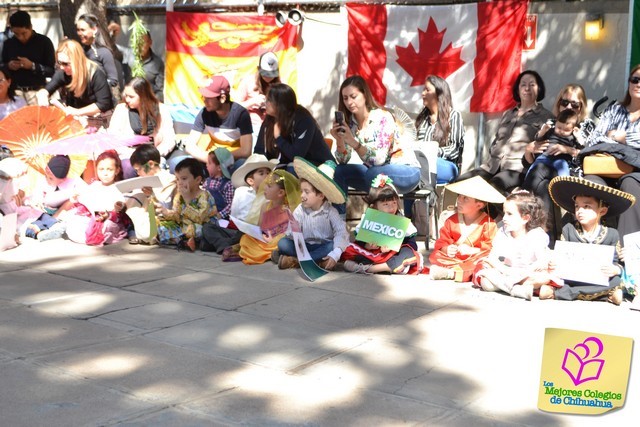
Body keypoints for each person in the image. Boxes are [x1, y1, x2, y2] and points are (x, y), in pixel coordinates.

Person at [541, 176, 636, 305]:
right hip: (574, 278)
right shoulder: (568, 229)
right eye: (577, 206)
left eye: (586, 206)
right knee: (559, 280)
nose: (580, 211)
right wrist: (554, 264)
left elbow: (617, 262)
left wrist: (615, 269)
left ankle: (558, 293)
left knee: (615, 281)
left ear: (602, 210)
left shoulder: (612, 234)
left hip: (599, 279)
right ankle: (606, 295)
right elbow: (561, 257)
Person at [331, 75, 421, 212]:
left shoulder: (382, 117)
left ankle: (382, 219)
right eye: (345, 98)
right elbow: (343, 160)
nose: (349, 102)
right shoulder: (351, 124)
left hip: (405, 171)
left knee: (373, 173)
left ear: (365, 95)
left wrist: (353, 142)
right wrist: (339, 140)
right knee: (340, 171)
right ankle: (338, 223)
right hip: (374, 175)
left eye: (353, 96)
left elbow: (379, 159)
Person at [456, 70, 553, 194]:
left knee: (492, 188)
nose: (527, 88)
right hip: (492, 166)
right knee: (460, 182)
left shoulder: (545, 117)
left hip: (517, 169)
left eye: (532, 84)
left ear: (539, 89)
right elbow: (497, 139)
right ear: (518, 89)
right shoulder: (508, 114)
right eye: (523, 84)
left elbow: (545, 149)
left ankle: (496, 214)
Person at [522, 83, 595, 241]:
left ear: (581, 107)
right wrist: (529, 150)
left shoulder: (586, 126)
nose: (568, 106)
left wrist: (567, 150)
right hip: (544, 165)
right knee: (540, 177)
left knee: (543, 179)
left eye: (574, 104)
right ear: (558, 103)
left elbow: (590, 155)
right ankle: (543, 236)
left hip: (571, 172)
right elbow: (529, 160)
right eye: (564, 102)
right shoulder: (551, 123)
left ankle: (540, 233)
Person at [581, 64, 640, 238]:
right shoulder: (614, 109)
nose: (638, 84)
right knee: (591, 182)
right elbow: (594, 139)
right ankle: (590, 243)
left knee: (629, 182)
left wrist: (622, 137)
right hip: (608, 167)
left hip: (635, 171)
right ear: (629, 83)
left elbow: (605, 138)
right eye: (635, 79)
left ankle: (628, 250)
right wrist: (623, 140)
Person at [473, 190, 554, 300]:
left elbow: (541, 262)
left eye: (510, 214)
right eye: (504, 213)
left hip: (526, 273)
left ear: (525, 218)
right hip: (506, 272)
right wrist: (496, 266)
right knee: (485, 281)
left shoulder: (536, 235)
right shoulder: (503, 233)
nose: (504, 218)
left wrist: (525, 271)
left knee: (543, 278)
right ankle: (517, 289)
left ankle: (507, 286)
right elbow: (493, 257)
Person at [274, 157, 349, 271]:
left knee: (331, 246)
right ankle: (317, 262)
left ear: (321, 195)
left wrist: (335, 254)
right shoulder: (300, 210)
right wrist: (291, 226)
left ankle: (295, 262)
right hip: (303, 246)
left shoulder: (330, 211)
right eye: (301, 191)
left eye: (307, 192)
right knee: (283, 243)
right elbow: (291, 234)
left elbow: (341, 232)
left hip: (322, 246)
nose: (302, 196)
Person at [428, 176, 505, 282]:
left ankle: (452, 273)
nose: (459, 200)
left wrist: (472, 250)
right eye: (459, 196)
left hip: (474, 258)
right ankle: (463, 272)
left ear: (479, 204)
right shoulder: (451, 220)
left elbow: (489, 248)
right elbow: (442, 241)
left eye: (465, 198)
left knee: (484, 261)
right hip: (455, 257)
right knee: (436, 255)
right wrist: (447, 249)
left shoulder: (488, 223)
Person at [341, 174, 422, 275]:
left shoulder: (401, 220)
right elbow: (359, 242)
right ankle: (379, 267)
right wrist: (367, 246)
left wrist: (395, 246)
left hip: (392, 256)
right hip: (372, 255)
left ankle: (370, 269)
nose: (391, 208)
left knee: (410, 254)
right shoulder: (369, 220)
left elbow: (412, 245)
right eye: (385, 204)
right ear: (374, 206)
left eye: (394, 203)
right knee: (348, 249)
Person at [200, 153, 277, 254]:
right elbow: (234, 215)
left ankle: (224, 245)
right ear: (250, 180)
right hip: (236, 230)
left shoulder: (270, 196)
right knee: (207, 227)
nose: (266, 176)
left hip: (255, 234)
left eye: (268, 173)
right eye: (261, 173)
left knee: (205, 243)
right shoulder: (241, 192)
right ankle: (227, 245)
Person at [179, 75, 253, 171]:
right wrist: (209, 159)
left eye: (209, 98)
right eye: (203, 97)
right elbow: (190, 145)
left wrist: (220, 158)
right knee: (178, 164)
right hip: (211, 159)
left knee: (242, 165)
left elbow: (246, 151)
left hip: (233, 159)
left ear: (222, 98)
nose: (204, 101)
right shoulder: (204, 113)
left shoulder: (241, 114)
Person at [36, 39, 114, 127]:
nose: (61, 67)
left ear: (77, 60)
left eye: (66, 64)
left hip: (100, 120)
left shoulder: (95, 73)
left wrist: (77, 112)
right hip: (79, 119)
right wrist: (42, 95)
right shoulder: (63, 73)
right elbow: (48, 89)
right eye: (59, 62)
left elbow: (103, 104)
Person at [254, 83, 334, 169]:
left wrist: (279, 138)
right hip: (286, 166)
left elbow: (297, 156)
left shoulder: (303, 120)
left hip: (318, 166)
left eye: (269, 100)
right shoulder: (270, 120)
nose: (265, 103)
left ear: (280, 104)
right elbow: (259, 150)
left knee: (291, 169)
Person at [108, 77, 175, 175]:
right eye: (126, 95)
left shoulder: (161, 110)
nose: (127, 99)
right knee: (129, 168)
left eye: (131, 97)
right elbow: (114, 138)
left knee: (152, 169)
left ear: (143, 96)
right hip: (130, 155)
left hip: (154, 155)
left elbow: (169, 139)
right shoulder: (121, 109)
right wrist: (136, 156)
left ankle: (153, 189)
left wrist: (154, 154)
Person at [235, 169, 300, 265]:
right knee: (245, 238)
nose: (264, 187)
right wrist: (256, 233)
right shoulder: (265, 206)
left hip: (276, 241)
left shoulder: (288, 210)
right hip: (264, 240)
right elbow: (260, 227)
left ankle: (276, 254)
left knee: (282, 244)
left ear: (280, 193)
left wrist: (273, 239)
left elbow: (290, 233)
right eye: (266, 184)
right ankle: (273, 255)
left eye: (269, 186)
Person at [65, 150, 129, 245]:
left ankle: (91, 235)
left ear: (117, 170)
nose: (105, 173)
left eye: (109, 169)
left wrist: (111, 212)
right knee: (73, 218)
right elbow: (85, 201)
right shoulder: (95, 185)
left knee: (107, 226)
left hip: (107, 219)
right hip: (92, 216)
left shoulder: (117, 188)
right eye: (101, 169)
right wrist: (77, 198)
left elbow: (119, 212)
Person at [156, 157, 217, 251]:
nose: (180, 182)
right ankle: (184, 241)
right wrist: (165, 212)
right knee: (161, 223)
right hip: (184, 227)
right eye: (177, 179)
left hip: (203, 226)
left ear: (197, 180)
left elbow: (200, 218)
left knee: (197, 229)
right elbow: (177, 215)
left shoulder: (204, 195)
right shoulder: (179, 196)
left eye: (184, 178)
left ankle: (183, 240)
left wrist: (187, 198)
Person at [415, 75, 465, 184]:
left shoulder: (453, 115)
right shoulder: (422, 118)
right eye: (423, 89)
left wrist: (432, 152)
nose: (423, 93)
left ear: (439, 93)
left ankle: (427, 198)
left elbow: (454, 149)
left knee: (420, 164)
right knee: (410, 165)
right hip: (421, 162)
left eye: (427, 90)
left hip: (446, 165)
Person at [24, 155, 86, 241]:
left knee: (71, 204)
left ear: (63, 179)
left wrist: (75, 198)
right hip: (44, 212)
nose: (47, 180)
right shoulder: (42, 181)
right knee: (30, 224)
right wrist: (37, 202)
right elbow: (36, 196)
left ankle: (53, 227)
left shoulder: (74, 183)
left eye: (51, 178)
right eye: (46, 176)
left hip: (62, 214)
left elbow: (85, 193)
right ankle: (44, 230)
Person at [0, 10, 55, 105]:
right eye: (16, 34)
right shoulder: (8, 44)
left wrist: (32, 66)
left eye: (24, 33)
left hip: (37, 92)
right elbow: (2, 68)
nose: (21, 37)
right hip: (15, 93)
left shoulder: (44, 42)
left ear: (30, 27)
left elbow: (52, 71)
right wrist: (9, 66)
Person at [125, 145, 176, 244]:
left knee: (147, 233)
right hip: (146, 216)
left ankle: (136, 231)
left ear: (151, 164)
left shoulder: (169, 179)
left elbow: (165, 205)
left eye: (138, 169)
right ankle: (133, 229)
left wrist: (152, 194)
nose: (138, 173)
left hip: (161, 218)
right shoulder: (143, 180)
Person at [523, 109, 581, 184]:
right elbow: (538, 139)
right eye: (559, 128)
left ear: (573, 129)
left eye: (566, 130)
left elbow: (580, 149)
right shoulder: (551, 131)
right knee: (533, 168)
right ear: (556, 123)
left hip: (561, 160)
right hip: (544, 156)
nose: (562, 131)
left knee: (564, 172)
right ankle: (526, 185)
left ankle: (565, 186)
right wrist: (543, 131)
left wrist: (578, 137)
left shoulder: (572, 137)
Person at [236, 51, 281, 141]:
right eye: (265, 74)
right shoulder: (248, 82)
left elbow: (288, 109)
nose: (268, 77)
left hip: (273, 126)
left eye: (271, 74)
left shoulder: (281, 84)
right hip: (251, 127)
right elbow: (235, 108)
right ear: (259, 69)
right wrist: (253, 101)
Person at [76, 14, 122, 96]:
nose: (80, 33)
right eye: (78, 30)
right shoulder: (78, 50)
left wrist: (96, 86)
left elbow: (113, 80)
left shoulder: (104, 52)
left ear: (94, 29)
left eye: (83, 30)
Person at [203, 148, 234, 220]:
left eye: (209, 163)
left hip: (221, 219)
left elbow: (231, 205)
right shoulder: (207, 181)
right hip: (206, 216)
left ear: (219, 167)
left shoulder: (227, 184)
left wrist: (220, 215)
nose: (206, 165)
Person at [137, 31, 164, 102]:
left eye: (143, 42)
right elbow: (114, 50)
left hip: (148, 102)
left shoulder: (158, 63)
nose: (140, 46)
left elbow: (159, 90)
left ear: (150, 42)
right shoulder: (128, 56)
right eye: (138, 43)